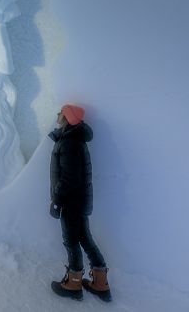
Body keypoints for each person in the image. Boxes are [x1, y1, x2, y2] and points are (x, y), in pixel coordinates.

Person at [49, 104, 112, 302]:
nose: (58, 114)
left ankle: (74, 283)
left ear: (67, 117)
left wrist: (57, 200)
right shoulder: (73, 139)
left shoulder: (69, 142)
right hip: (79, 201)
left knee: (71, 241)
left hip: (71, 202)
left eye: (61, 112)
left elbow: (69, 178)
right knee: (85, 239)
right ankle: (100, 283)